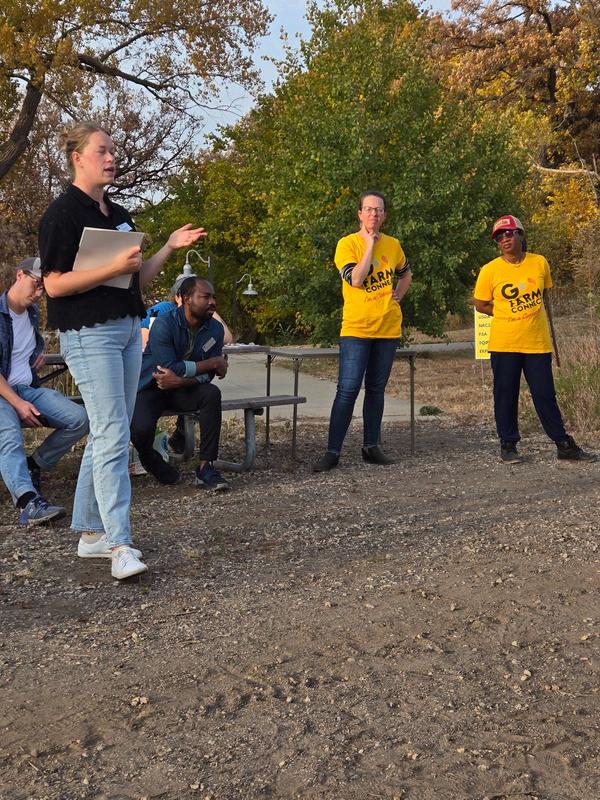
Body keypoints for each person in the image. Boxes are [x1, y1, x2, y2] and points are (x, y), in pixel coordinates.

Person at [39, 121, 205, 580]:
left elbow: (137, 280)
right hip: (89, 335)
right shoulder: (61, 214)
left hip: (130, 330)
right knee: (114, 433)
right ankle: (119, 545)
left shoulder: (119, 213)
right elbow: (53, 285)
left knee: (107, 433)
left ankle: (91, 534)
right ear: (78, 157)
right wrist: (112, 265)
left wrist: (168, 246)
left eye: (114, 150)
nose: (112, 157)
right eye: (102, 150)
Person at [473, 214, 596, 464]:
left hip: (537, 343)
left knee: (545, 394)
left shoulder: (539, 263)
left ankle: (563, 444)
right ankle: (508, 445)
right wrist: (504, 312)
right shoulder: (489, 270)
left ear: (520, 234)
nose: (504, 239)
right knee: (505, 394)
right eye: (499, 237)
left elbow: (545, 294)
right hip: (504, 344)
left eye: (509, 233)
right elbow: (480, 304)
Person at [313, 190, 412, 472]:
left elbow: (406, 273)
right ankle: (332, 452)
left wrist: (398, 295)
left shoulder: (394, 245)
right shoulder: (347, 244)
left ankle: (371, 447)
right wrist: (369, 244)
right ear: (360, 214)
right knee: (347, 390)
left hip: (387, 329)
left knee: (376, 389)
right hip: (356, 329)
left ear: (385, 215)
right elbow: (356, 280)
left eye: (379, 210)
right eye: (368, 209)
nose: (374, 214)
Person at [0, 257, 88, 525]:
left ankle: (34, 465)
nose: (40, 292)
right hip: (4, 393)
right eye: (37, 283)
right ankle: (28, 503)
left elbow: (19, 348)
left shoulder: (32, 312)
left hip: (27, 389)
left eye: (44, 287)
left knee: (80, 419)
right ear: (19, 275)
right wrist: (17, 404)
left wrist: (36, 354)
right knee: (9, 435)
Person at [130, 276, 230, 491]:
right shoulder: (164, 323)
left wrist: (181, 381)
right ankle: (149, 458)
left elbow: (208, 376)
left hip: (183, 388)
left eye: (213, 297)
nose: (212, 302)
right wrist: (213, 362)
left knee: (211, 393)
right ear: (186, 299)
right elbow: (168, 366)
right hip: (151, 387)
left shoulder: (215, 329)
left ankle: (206, 468)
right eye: (205, 297)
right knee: (139, 429)